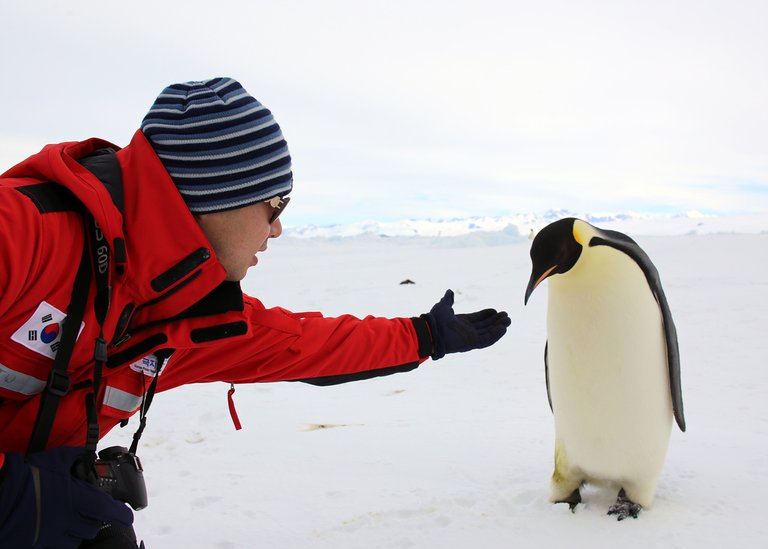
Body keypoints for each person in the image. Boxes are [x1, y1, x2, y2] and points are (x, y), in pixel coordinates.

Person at [0, 77, 510, 548]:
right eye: (276, 204)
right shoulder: (21, 235)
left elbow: (302, 343)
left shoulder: (178, 314)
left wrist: (425, 335)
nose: (277, 229)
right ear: (216, 194)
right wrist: (14, 501)